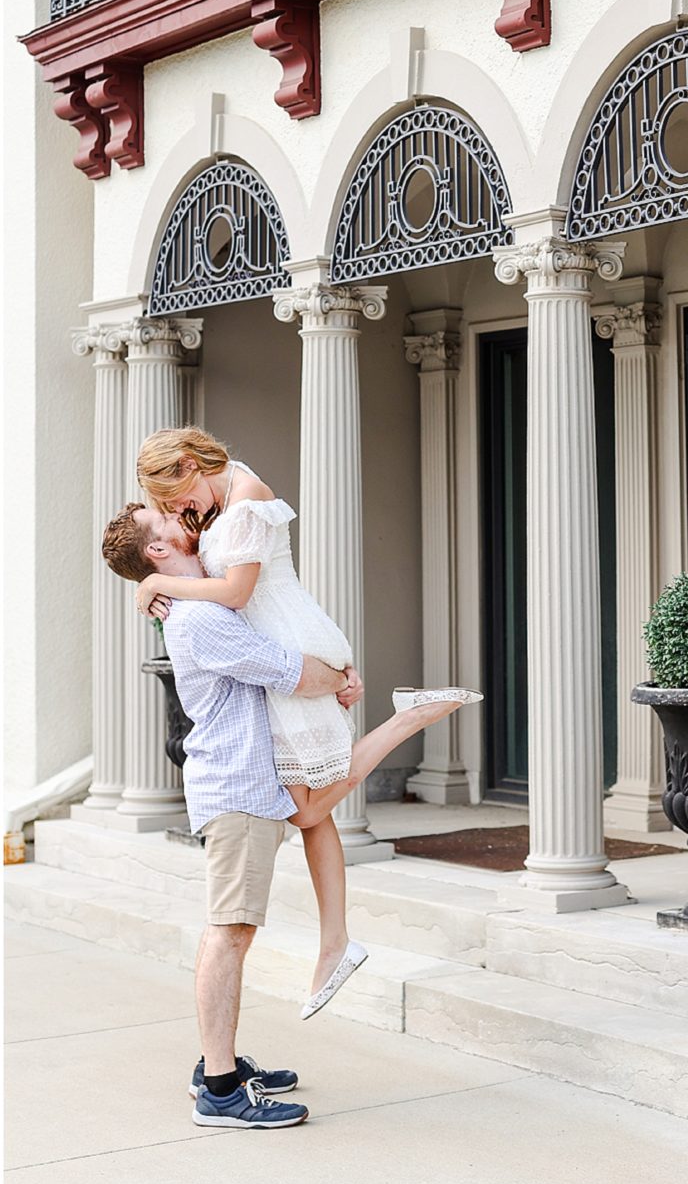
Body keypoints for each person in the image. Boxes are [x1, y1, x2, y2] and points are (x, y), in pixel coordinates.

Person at [101, 501, 470, 1129]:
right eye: (157, 516)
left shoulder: (199, 598)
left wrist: (338, 680)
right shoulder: (198, 620)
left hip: (254, 779)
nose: (170, 511)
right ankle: (219, 1089)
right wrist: (340, 677)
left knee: (298, 834)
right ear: (157, 551)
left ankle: (217, 1065)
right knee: (230, 930)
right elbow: (288, 671)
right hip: (239, 789)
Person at [131, 427, 481, 1021]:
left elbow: (239, 594)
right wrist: (158, 579)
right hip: (281, 646)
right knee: (309, 811)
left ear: (190, 463)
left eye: (174, 497)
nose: (177, 510)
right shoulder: (224, 496)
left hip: (286, 644)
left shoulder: (244, 499)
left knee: (307, 808)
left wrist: (160, 580)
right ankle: (335, 943)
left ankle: (408, 718)